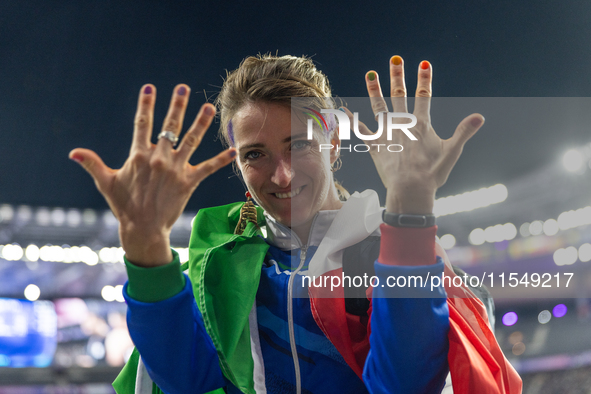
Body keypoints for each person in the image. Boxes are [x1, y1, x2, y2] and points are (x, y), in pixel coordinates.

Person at [70, 54, 522, 394]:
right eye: (255, 155)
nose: (281, 175)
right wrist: (147, 247)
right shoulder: (220, 259)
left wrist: (409, 205)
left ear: (335, 142)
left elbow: (404, 386)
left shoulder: (389, 252)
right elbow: (185, 382)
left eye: (300, 145)